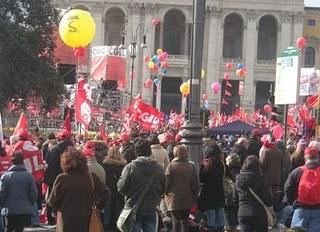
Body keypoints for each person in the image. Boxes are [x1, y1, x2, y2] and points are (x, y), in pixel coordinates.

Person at [48, 150, 109, 232]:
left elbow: (52, 201)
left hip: (67, 219)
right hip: (87, 218)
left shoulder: (62, 178)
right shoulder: (92, 177)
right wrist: (98, 206)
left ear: (65, 163)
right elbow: (106, 194)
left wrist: (60, 207)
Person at [117, 139, 165, 232]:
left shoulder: (130, 167)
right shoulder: (158, 168)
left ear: (136, 152)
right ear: (149, 151)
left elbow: (121, 188)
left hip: (133, 206)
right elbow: (163, 188)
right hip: (151, 206)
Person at [285, 147, 320, 232]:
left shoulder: (297, 171)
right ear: (318, 158)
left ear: (305, 158)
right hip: (318, 209)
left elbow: (287, 188)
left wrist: (293, 202)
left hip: (301, 208)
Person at [0, 151, 37, 232]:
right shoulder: (29, 176)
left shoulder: (5, 176)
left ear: (12, 161)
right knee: (20, 229)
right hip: (23, 208)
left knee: (8, 228)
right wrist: (30, 203)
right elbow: (33, 193)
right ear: (22, 161)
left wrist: (2, 205)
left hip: (8, 209)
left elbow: (2, 193)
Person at [165, 145, 199, 232]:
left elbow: (167, 184)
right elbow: (195, 184)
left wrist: (165, 193)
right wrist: (195, 197)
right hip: (187, 198)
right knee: (185, 221)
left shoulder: (171, 167)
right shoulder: (191, 166)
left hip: (174, 198)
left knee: (175, 221)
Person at [234, 155, 272, 232]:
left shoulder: (238, 180)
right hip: (258, 213)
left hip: (243, 212)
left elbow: (235, 198)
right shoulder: (260, 179)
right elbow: (268, 199)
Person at [44, 130, 73, 225]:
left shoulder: (55, 149)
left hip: (54, 177)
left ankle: (51, 218)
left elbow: (49, 161)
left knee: (52, 196)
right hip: (68, 176)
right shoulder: (73, 149)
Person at [198, 143, 225, 232]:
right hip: (219, 193)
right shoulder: (221, 163)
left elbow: (202, 178)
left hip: (208, 194)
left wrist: (205, 169)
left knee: (210, 219)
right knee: (219, 216)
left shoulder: (207, 162)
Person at [102, 146, 127, 231]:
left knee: (107, 209)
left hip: (108, 189)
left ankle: (107, 226)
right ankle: (119, 225)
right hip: (119, 189)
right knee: (118, 208)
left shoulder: (105, 165)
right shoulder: (123, 165)